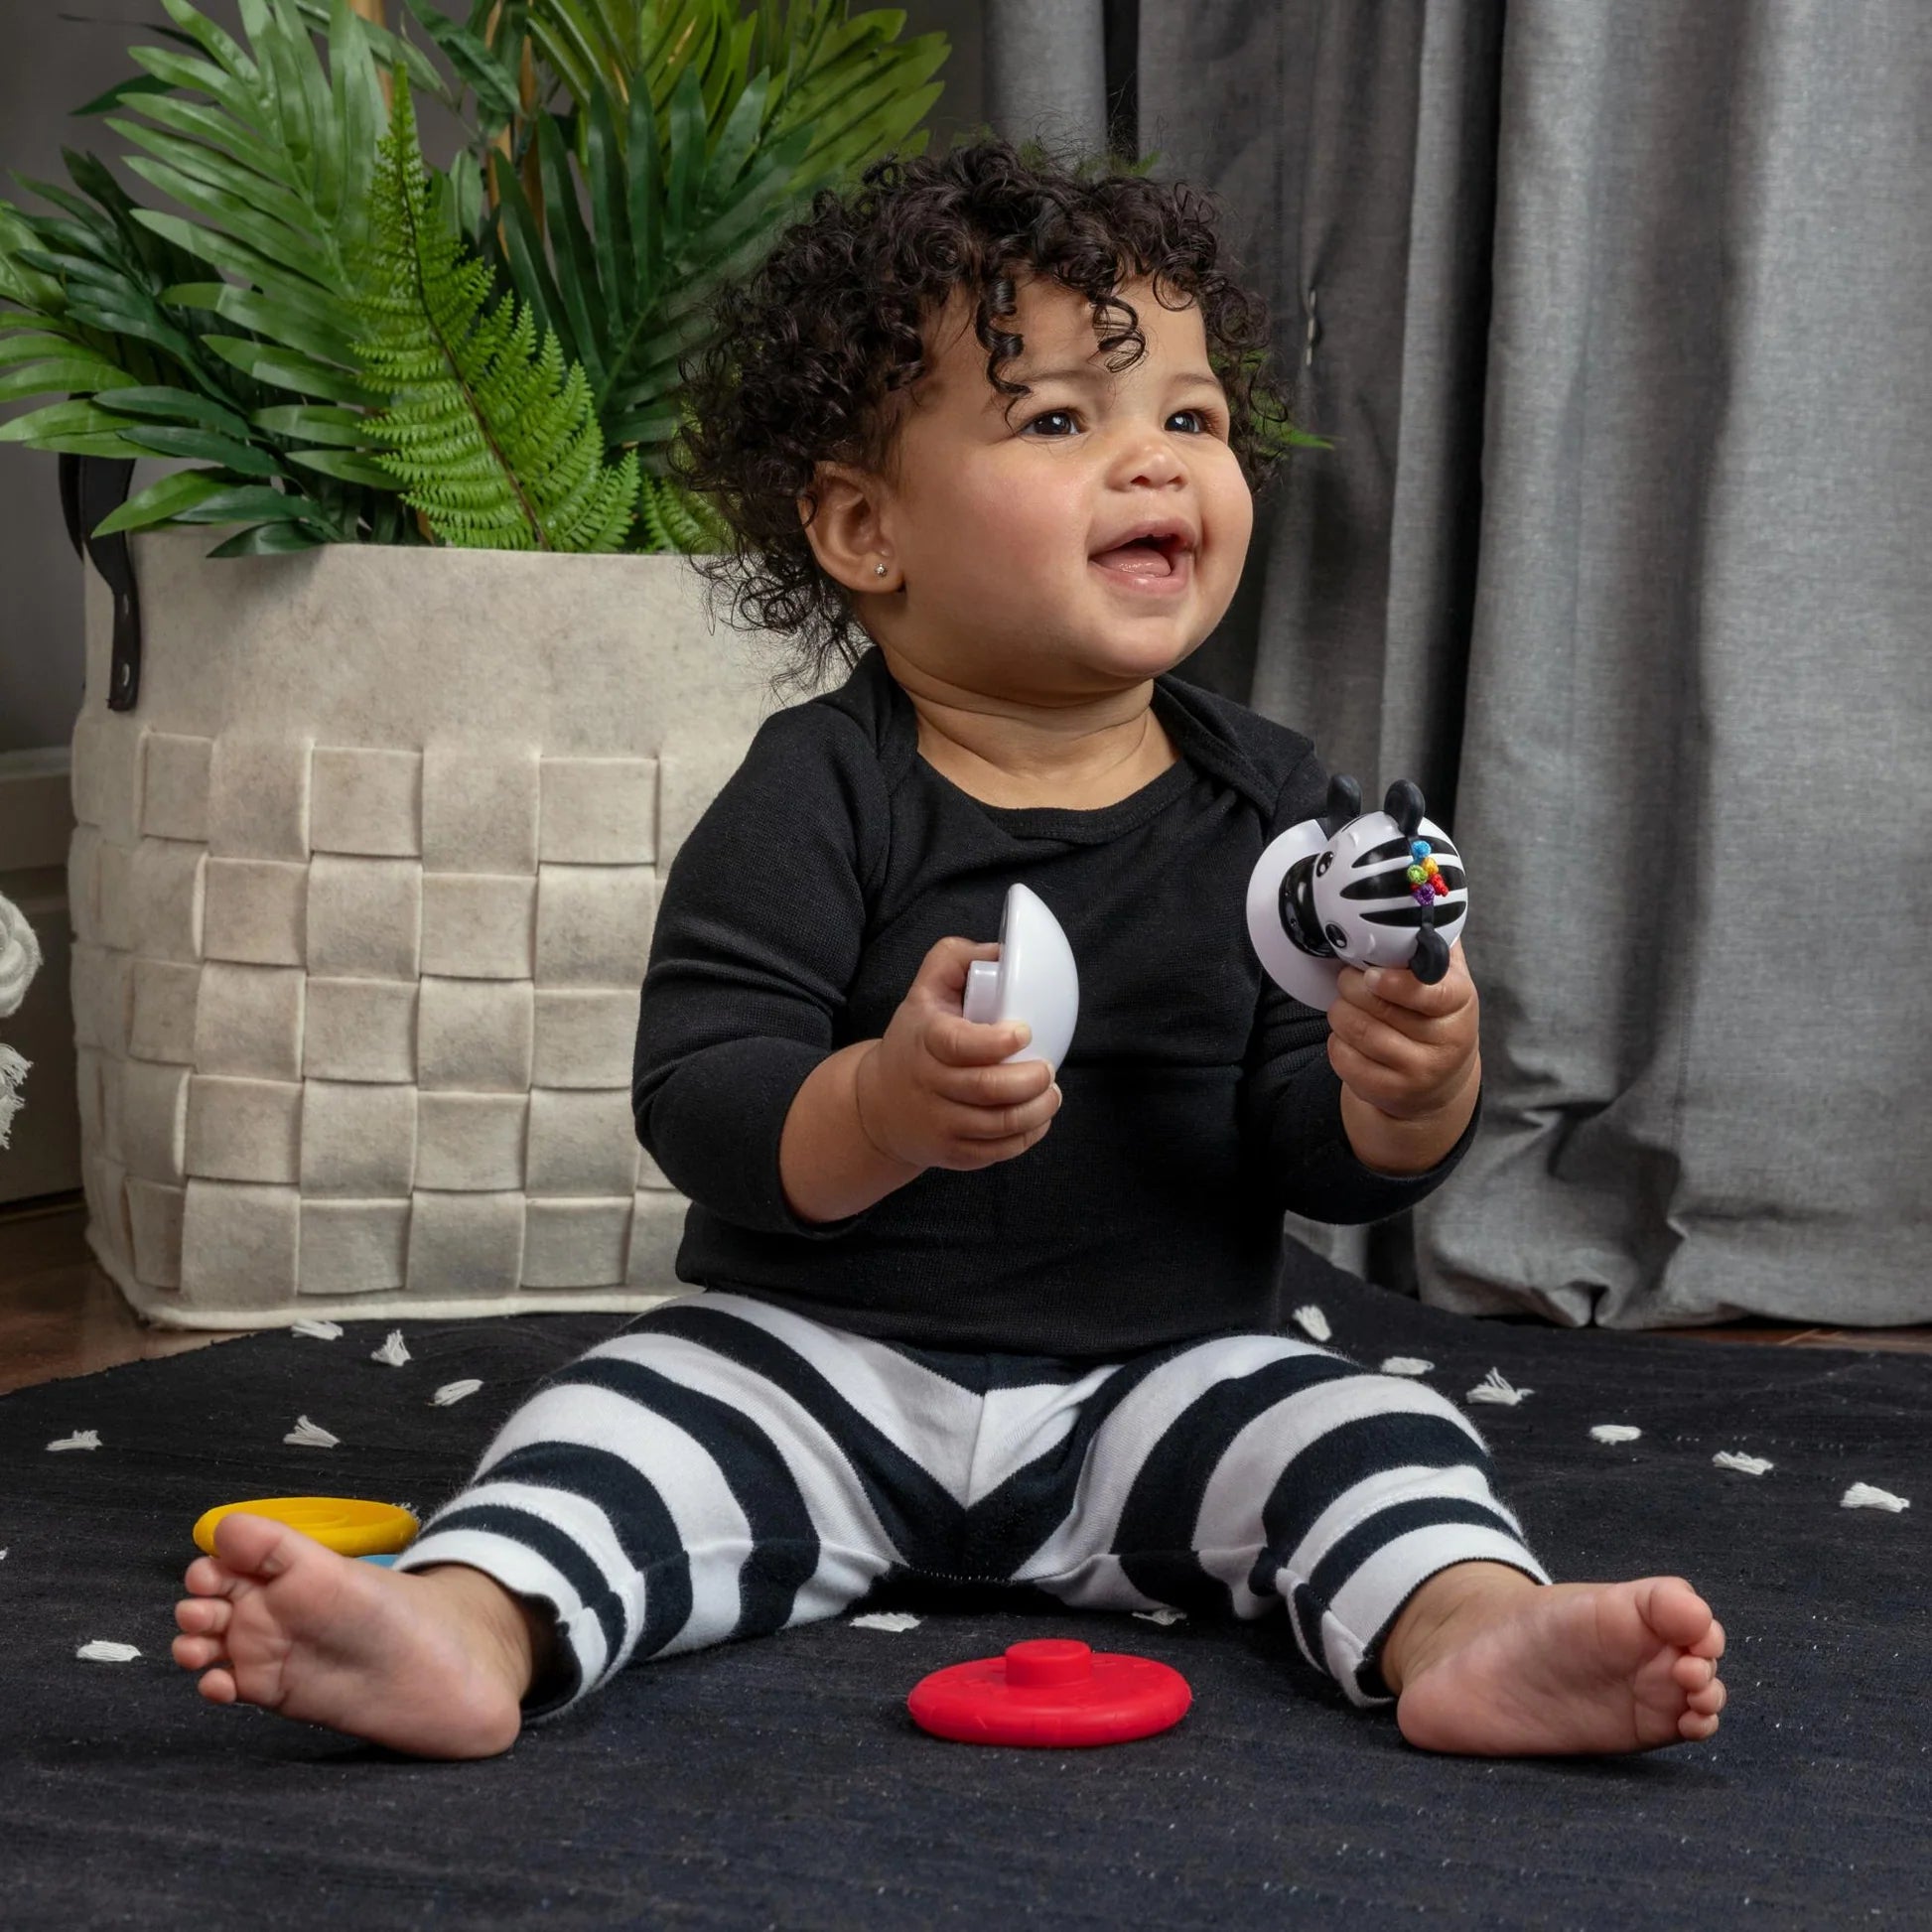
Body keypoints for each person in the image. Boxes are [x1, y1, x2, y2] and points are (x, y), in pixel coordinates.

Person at [171, 137, 1726, 1761]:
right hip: (816, 1369)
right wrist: (878, 1105)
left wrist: (1409, 1087)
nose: (1154, 464)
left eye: (1189, 418)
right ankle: (470, 1622)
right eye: (1058, 420)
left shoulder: (1276, 808)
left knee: (1363, 1425)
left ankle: (1469, 1630)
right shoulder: (816, 787)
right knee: (615, 1414)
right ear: (864, 527)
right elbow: (699, 1093)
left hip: (1159, 1381)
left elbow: (1316, 1152)